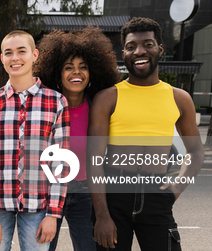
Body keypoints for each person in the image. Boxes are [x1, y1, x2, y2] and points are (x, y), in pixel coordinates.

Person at [88, 17, 203, 251]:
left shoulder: (179, 98)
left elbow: (195, 150)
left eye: (147, 44)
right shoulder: (108, 97)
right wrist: (101, 215)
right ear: (124, 53)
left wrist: (176, 189)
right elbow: (94, 160)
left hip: (157, 195)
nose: (139, 51)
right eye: (131, 46)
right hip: (114, 196)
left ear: (160, 49)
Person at [0, 30, 69, 251]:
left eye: (21, 51)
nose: (15, 58)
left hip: (40, 205)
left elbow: (61, 163)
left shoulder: (56, 102)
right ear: (2, 59)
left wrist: (53, 214)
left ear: (34, 55)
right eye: (8, 53)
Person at [34, 26, 121, 251]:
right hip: (50, 192)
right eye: (68, 67)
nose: (76, 72)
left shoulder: (98, 109)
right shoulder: (46, 109)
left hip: (85, 193)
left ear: (92, 73)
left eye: (83, 67)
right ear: (57, 74)